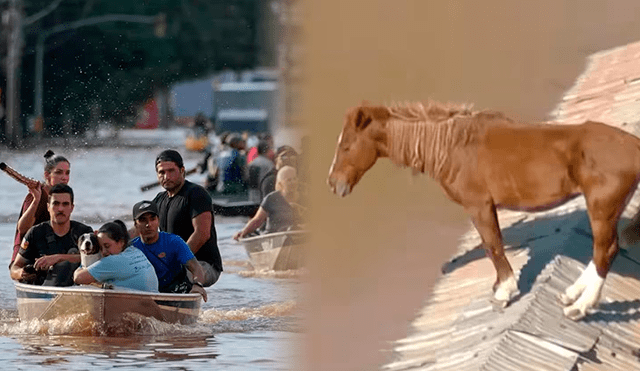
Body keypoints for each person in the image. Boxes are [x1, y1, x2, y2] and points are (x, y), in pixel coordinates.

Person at [153, 149, 223, 287]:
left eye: (171, 171)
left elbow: (202, 234)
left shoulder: (196, 194)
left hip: (204, 265)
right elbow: (140, 229)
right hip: (174, 264)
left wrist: (174, 262)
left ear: (182, 170)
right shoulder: (159, 200)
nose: (166, 176)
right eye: (162, 172)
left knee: (170, 278)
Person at [10, 184, 92, 287]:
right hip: (41, 290)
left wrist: (57, 258)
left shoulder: (84, 233)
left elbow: (95, 260)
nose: (60, 209)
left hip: (75, 289)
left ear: (72, 208)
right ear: (48, 207)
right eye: (56, 204)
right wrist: (21, 273)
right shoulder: (35, 233)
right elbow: (15, 267)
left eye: (65, 204)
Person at [130, 200, 207, 301]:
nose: (148, 224)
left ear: (158, 221)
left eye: (152, 219)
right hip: (147, 295)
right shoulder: (131, 248)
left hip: (177, 292)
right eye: (143, 220)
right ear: (136, 224)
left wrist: (198, 285)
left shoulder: (174, 241)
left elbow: (196, 267)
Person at [11, 150, 70, 264]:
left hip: (49, 250)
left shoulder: (63, 197)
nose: (64, 177)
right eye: (59, 173)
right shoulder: (35, 196)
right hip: (26, 255)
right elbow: (22, 229)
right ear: (47, 175)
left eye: (67, 173)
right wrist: (36, 200)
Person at [73, 220, 158, 292]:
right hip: (154, 301)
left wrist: (80, 267)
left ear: (121, 242)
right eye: (100, 248)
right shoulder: (135, 251)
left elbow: (78, 278)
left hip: (137, 308)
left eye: (107, 246)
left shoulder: (112, 260)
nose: (103, 252)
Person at [234, 166, 305, 240]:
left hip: (297, 237)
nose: (293, 182)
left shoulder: (305, 198)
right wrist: (243, 232)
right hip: (273, 239)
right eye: (289, 180)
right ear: (280, 184)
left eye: (294, 179)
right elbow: (257, 220)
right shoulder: (271, 199)